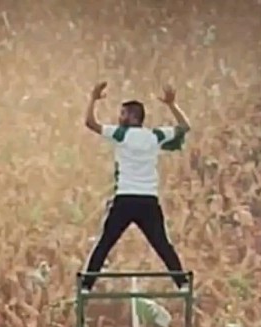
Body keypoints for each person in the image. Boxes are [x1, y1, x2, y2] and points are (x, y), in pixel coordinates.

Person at [80, 81, 190, 292]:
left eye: (123, 114)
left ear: (132, 117)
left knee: (105, 242)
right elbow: (184, 127)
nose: (119, 117)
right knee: (162, 244)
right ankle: (182, 282)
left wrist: (93, 98)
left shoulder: (120, 134)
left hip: (126, 198)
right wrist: (172, 105)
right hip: (148, 199)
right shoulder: (155, 135)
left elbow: (90, 123)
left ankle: (87, 284)